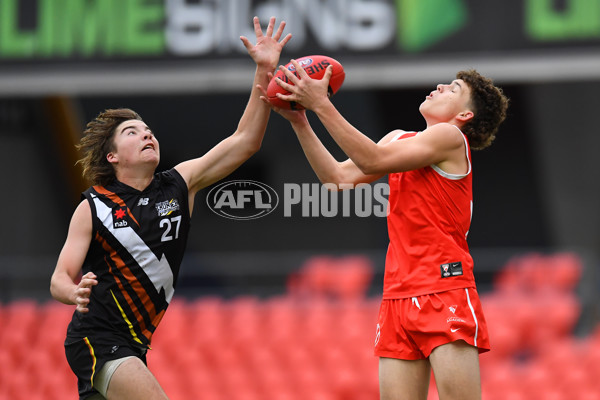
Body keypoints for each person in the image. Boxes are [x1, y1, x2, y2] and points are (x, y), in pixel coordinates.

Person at [49, 16, 291, 400]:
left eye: (148, 129)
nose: (146, 133)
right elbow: (59, 276)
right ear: (112, 156)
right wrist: (74, 292)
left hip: (135, 345)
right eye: (132, 132)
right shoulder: (94, 206)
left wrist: (264, 69)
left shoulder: (180, 183)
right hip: (98, 339)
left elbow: (245, 141)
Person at [261, 62, 508, 400]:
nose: (439, 86)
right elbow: (337, 178)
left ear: (464, 116)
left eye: (453, 89)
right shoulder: (398, 139)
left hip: (443, 286)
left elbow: (372, 161)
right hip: (397, 292)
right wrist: (300, 120)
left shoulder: (450, 137)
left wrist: (321, 103)